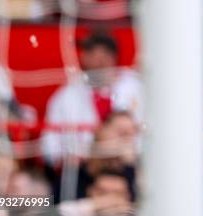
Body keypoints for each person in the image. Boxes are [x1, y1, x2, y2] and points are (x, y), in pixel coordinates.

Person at [41, 31, 142, 165]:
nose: (98, 61)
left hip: (131, 165)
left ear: (113, 58)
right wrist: (67, 158)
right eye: (91, 54)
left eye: (104, 54)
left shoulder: (137, 88)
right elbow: (49, 145)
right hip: (84, 171)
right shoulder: (66, 95)